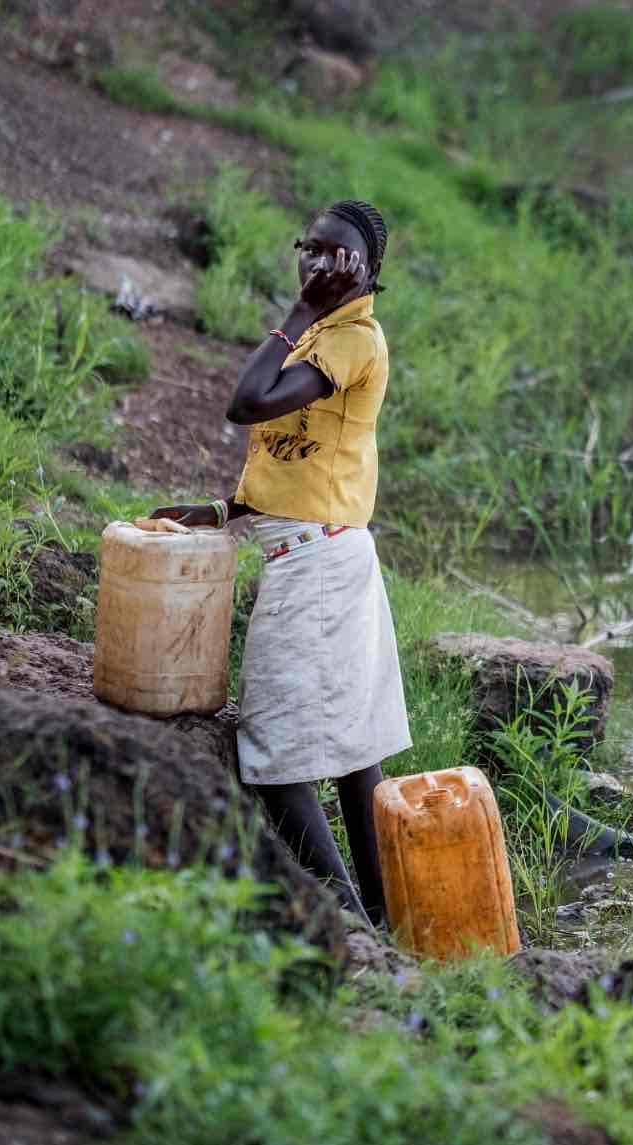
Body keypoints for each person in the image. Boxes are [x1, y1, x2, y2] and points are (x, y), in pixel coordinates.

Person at [150, 199, 410, 927]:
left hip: (319, 566)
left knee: (271, 762)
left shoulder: (352, 339)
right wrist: (224, 512)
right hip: (323, 553)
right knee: (357, 759)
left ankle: (349, 926)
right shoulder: (322, 336)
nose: (318, 263)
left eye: (336, 255)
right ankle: (388, 922)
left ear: (367, 273)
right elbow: (294, 454)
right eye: (310, 248)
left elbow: (247, 404)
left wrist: (296, 310)